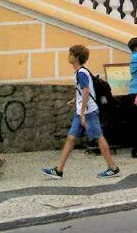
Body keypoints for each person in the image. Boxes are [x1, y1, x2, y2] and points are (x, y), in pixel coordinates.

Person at [43, 45, 121, 179]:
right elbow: (84, 91)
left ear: (77, 57)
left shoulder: (81, 73)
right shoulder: (81, 71)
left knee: (98, 137)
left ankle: (113, 168)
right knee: (71, 137)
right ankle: (59, 170)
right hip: (82, 111)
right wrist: (76, 100)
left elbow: (86, 91)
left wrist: (83, 113)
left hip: (88, 112)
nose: (69, 56)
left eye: (71, 54)